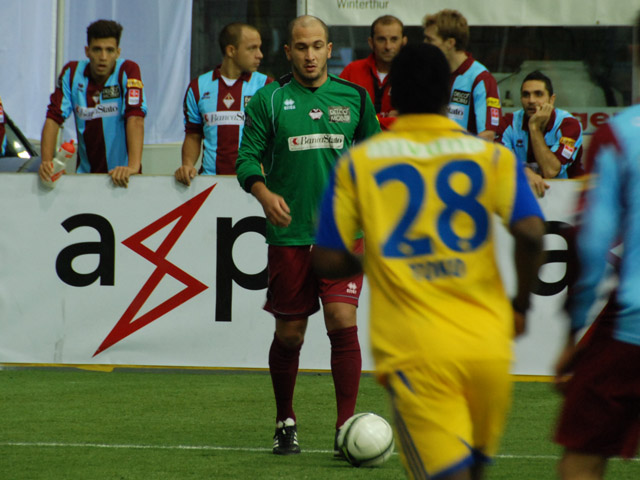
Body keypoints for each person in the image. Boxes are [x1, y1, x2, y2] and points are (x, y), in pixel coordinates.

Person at [312, 43, 545, 480]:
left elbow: (324, 258)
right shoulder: (491, 156)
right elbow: (532, 233)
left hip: (417, 350)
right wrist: (521, 305)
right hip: (487, 346)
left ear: (393, 94)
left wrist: (371, 262)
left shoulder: (359, 163)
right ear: (447, 94)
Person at [235, 15, 381, 456]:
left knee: (341, 318)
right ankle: (285, 420)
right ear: (289, 52)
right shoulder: (268, 100)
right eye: (302, 47)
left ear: (329, 49)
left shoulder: (355, 97)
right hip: (290, 236)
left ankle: (345, 426)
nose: (311, 55)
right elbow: (246, 159)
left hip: (343, 234)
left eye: (318, 46)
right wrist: (263, 193)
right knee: (291, 335)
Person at [553, 17, 640, 478]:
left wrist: (572, 337)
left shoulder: (620, 134)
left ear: (635, 53)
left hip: (631, 329)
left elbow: (590, 246)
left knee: (582, 461)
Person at [39, 20, 146, 188]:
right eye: (97, 49)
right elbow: (53, 118)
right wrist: (47, 163)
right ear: (87, 51)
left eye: (109, 50)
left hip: (124, 177)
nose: (103, 57)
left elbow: (136, 119)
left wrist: (133, 167)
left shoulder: (128, 70)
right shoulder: (72, 73)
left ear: (118, 52)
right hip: (86, 180)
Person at [175, 23, 272, 185]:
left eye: (259, 48)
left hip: (254, 183)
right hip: (211, 183)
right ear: (231, 51)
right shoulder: (198, 87)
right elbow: (193, 134)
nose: (260, 55)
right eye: (252, 48)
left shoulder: (266, 87)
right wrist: (187, 165)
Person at [496, 71, 584, 198]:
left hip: (567, 198)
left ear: (551, 99)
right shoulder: (508, 123)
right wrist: (524, 171)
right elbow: (497, 161)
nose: (531, 100)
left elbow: (550, 171)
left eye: (538, 94)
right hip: (521, 195)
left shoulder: (568, 125)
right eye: (526, 95)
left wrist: (534, 128)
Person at [423, 9, 501, 141]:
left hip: (464, 153)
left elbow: (488, 135)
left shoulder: (481, 78)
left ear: (450, 43)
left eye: (430, 40)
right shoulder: (431, 73)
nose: (424, 44)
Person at [339, 15, 407, 130]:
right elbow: (338, 117)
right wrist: (386, 120)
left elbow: (414, 120)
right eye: (381, 39)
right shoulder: (352, 70)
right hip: (360, 141)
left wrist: (362, 119)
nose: (388, 46)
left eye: (394, 39)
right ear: (371, 42)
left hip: (399, 141)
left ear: (403, 42)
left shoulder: (413, 74)